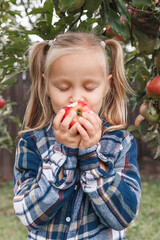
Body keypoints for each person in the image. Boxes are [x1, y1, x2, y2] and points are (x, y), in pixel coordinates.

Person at [13, 32, 141, 240]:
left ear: (107, 86)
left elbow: (123, 216)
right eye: (63, 87)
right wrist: (63, 154)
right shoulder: (32, 143)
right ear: (46, 86)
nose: (76, 97)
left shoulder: (120, 143)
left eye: (89, 87)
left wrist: (91, 157)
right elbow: (29, 216)